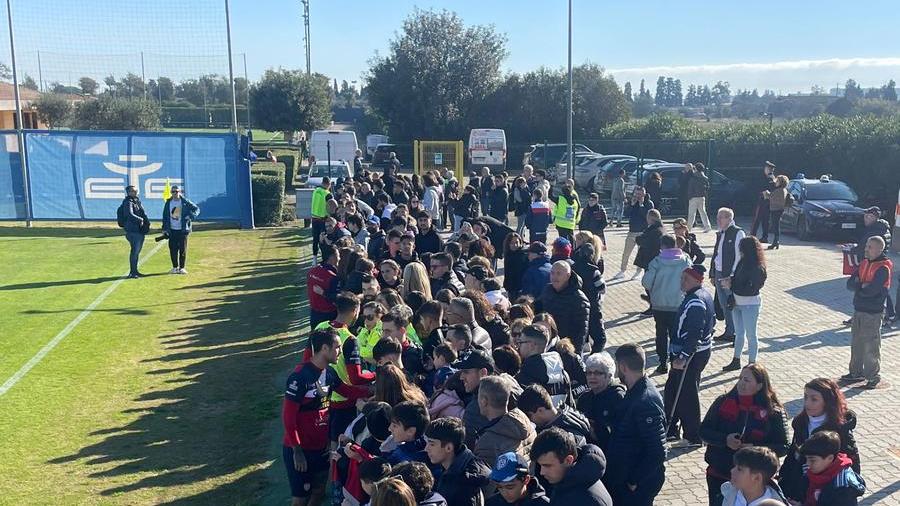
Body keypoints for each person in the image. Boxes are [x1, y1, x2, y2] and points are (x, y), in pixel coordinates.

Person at [281, 328, 369, 506]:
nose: (340, 351)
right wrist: (297, 452)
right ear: (324, 349)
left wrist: (373, 388)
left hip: (320, 447)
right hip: (300, 449)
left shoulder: (329, 373)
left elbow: (347, 391)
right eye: (337, 347)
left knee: (319, 490)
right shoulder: (300, 378)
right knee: (300, 498)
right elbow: (288, 419)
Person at [699, 364, 789, 506]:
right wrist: (725, 440)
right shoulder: (723, 401)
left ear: (759, 385)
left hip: (751, 480)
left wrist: (754, 448)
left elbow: (783, 446)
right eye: (740, 378)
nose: (741, 383)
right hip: (719, 473)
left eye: (747, 380)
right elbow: (703, 431)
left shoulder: (773, 412)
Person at [779, 378, 861, 503]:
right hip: (798, 488)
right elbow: (792, 456)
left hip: (825, 492)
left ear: (827, 402)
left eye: (814, 399)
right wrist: (783, 482)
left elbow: (852, 463)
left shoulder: (840, 429)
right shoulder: (801, 423)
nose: (807, 403)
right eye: (805, 397)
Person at [605, 344, 666, 506]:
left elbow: (658, 451)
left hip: (638, 484)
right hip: (628, 477)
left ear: (623, 367)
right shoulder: (635, 392)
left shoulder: (644, 402)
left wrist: (634, 480)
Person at [665, 264, 714, 444]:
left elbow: (695, 332)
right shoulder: (703, 295)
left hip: (689, 355)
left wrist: (684, 357)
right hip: (695, 352)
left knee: (686, 395)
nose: (682, 282)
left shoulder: (695, 301)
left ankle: (692, 436)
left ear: (696, 280)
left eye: (685, 279)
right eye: (682, 278)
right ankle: (671, 428)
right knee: (673, 390)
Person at [843, 235, 891, 389]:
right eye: (866, 246)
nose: (866, 249)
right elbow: (850, 284)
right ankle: (855, 373)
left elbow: (872, 290)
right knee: (856, 343)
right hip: (859, 310)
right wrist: (861, 286)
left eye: (870, 247)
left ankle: (872, 376)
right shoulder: (864, 263)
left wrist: (861, 287)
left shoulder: (883, 267)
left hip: (873, 312)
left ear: (879, 249)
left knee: (871, 345)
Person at [642, 234, 692, 374]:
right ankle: (674, 360)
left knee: (661, 334)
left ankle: (662, 362)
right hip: (678, 303)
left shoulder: (657, 262)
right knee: (676, 334)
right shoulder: (685, 260)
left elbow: (646, 282)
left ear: (662, 246)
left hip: (660, 304)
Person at [530, 427, 613, 506]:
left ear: (568, 460)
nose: (542, 472)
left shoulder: (586, 501)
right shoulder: (573, 481)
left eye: (547, 466)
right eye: (540, 465)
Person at [723, 236, 768, 371]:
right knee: (739, 334)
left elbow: (751, 288)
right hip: (737, 302)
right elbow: (738, 278)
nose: (740, 251)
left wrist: (732, 286)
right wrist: (731, 280)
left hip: (750, 304)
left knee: (751, 335)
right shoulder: (742, 262)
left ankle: (752, 364)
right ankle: (736, 360)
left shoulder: (757, 267)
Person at [425, 417, 491, 506]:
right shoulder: (453, 469)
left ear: (449, 448)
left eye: (432, 444)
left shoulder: (464, 485)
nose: (426, 449)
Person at [474, 375, 537, 466]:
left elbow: (487, 477)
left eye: (478, 397)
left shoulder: (487, 444)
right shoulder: (527, 424)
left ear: (484, 401)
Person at [797, 431, 866, 506]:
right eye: (806, 459)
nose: (807, 463)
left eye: (812, 460)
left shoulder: (843, 485)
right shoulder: (810, 472)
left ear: (830, 458)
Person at [538, 261, 590, 353]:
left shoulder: (579, 299)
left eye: (559, 274)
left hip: (566, 349)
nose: (554, 277)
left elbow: (581, 332)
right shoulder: (548, 290)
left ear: (568, 275)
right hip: (549, 345)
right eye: (552, 273)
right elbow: (537, 308)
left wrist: (574, 355)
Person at [577, 352, 625, 452]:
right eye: (589, 373)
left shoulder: (618, 398)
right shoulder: (584, 398)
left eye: (598, 373)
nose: (592, 377)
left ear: (609, 376)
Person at [711, 207, 746, 343]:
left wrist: (732, 275)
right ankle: (729, 331)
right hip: (719, 272)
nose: (718, 220)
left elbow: (739, 257)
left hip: (729, 275)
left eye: (721, 217)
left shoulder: (738, 233)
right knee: (724, 304)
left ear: (729, 219)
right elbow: (716, 254)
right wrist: (712, 273)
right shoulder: (720, 233)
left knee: (733, 304)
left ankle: (737, 333)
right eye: (718, 217)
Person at [518, 384, 593, 445]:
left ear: (540, 410)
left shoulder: (564, 436)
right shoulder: (568, 413)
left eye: (529, 416)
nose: (528, 420)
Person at [572, 232, 607, 352]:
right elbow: (602, 288)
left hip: (578, 303)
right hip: (592, 303)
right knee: (599, 337)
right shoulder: (594, 270)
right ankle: (595, 354)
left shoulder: (573, 268)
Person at [720, 447, 790, 506]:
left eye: (739, 469)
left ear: (757, 478)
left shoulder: (774, 503)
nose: (732, 470)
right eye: (735, 467)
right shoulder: (729, 493)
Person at [611, 186, 654, 280]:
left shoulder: (649, 203)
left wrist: (642, 205)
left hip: (643, 233)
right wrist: (631, 205)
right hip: (632, 231)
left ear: (644, 194)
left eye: (640, 194)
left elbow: (647, 217)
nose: (637, 196)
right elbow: (626, 214)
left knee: (640, 254)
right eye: (636, 194)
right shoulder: (633, 201)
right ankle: (622, 270)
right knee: (626, 253)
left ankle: (638, 271)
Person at [161, 184, 199, 274]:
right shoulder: (168, 203)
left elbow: (196, 209)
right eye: (173, 192)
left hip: (183, 230)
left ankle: (182, 267)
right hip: (172, 229)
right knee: (173, 249)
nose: (175, 193)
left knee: (183, 249)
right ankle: (174, 267)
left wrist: (190, 216)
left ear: (179, 192)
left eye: (177, 191)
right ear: (171, 193)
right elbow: (165, 216)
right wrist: (164, 228)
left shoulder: (185, 202)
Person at [307, 244, 341, 329]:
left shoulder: (312, 271)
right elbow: (336, 298)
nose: (339, 258)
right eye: (338, 256)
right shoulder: (332, 277)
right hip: (328, 315)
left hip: (314, 313)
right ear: (332, 257)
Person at [121, 185, 150, 278]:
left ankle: (135, 271)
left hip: (139, 230)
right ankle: (132, 272)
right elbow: (129, 214)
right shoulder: (127, 202)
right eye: (133, 191)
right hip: (133, 231)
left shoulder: (136, 201)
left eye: (136, 190)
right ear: (129, 192)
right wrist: (140, 219)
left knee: (137, 251)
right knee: (135, 251)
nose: (135, 192)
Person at [750, 162, 776, 242]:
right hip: (763, 201)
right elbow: (756, 187)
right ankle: (757, 236)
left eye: (770, 169)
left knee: (762, 219)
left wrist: (767, 192)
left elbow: (772, 189)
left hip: (766, 201)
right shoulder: (764, 177)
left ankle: (760, 236)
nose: (768, 170)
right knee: (760, 219)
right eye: (767, 168)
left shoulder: (771, 178)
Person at [684, 163, 712, 232]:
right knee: (703, 212)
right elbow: (707, 187)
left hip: (693, 197)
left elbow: (690, 188)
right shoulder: (705, 178)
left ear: (696, 168)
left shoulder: (693, 177)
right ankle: (707, 227)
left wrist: (689, 196)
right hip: (702, 197)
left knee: (691, 214)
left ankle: (689, 228)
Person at [311, 177, 333, 264]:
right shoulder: (328, 194)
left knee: (315, 239)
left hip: (314, 218)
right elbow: (331, 206)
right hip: (323, 219)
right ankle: (325, 258)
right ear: (328, 184)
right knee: (323, 239)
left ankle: (314, 259)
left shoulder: (316, 191)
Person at [766, 175, 791, 250]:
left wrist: (767, 193)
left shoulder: (779, 190)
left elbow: (771, 197)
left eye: (777, 181)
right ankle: (776, 241)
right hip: (777, 209)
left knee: (775, 226)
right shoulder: (783, 190)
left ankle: (776, 241)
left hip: (776, 210)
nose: (776, 182)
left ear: (781, 182)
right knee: (776, 225)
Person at [503, 233, 529, 299]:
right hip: (511, 288)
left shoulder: (523, 255)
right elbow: (507, 272)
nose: (515, 245)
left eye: (517, 242)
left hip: (521, 288)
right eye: (512, 243)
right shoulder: (508, 254)